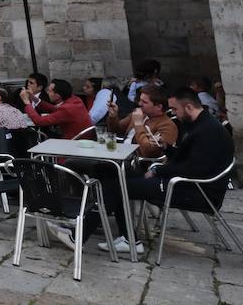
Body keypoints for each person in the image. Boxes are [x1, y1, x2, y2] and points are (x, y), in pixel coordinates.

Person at [96, 89, 234, 256]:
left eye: (175, 109)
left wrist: (157, 169)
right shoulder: (199, 125)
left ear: (189, 107)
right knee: (113, 176)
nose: (173, 113)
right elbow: (186, 159)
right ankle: (124, 236)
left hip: (195, 191)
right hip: (184, 182)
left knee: (117, 186)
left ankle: (87, 231)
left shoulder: (207, 131)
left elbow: (193, 169)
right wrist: (168, 150)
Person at [104, 83, 177, 159]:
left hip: (138, 163)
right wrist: (113, 116)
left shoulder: (167, 125)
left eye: (144, 102)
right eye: (140, 100)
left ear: (158, 107)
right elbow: (115, 131)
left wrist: (138, 124)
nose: (139, 104)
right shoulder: (139, 113)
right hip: (121, 153)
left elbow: (148, 152)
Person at [21, 78, 93, 137]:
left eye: (49, 91)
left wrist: (27, 102)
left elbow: (39, 121)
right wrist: (33, 98)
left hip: (73, 142)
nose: (47, 93)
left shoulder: (67, 109)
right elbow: (55, 109)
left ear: (58, 96)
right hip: (85, 137)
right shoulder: (76, 99)